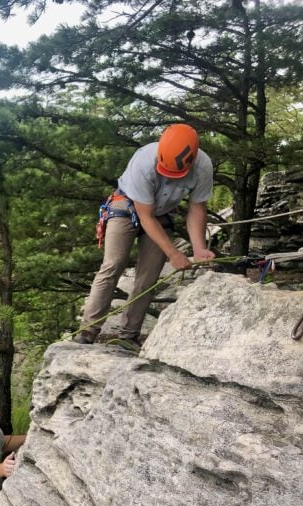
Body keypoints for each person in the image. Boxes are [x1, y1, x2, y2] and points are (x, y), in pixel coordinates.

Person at [74, 124, 216, 347]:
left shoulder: (203, 166)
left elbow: (197, 208)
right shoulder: (144, 161)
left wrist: (198, 248)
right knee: (114, 263)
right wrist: (173, 253)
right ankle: (87, 331)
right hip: (127, 206)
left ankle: (128, 336)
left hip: (161, 213)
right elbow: (145, 215)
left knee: (149, 275)